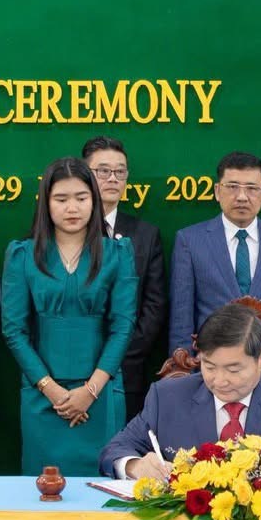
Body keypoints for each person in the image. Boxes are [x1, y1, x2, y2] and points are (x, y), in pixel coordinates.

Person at [0, 158, 138, 475]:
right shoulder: (23, 254)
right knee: (45, 490)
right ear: (46, 203)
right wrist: (51, 390)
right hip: (43, 396)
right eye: (61, 199)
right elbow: (14, 331)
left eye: (81, 197)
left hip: (100, 394)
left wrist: (90, 391)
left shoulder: (117, 254)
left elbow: (123, 326)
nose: (72, 208)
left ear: (94, 200)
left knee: (102, 487)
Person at [101, 304, 261, 479]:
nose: (220, 381)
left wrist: (251, 474)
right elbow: (114, 450)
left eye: (233, 369)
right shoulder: (167, 397)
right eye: (209, 367)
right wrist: (135, 466)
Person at [168, 152, 261, 349]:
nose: (241, 197)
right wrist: (184, 364)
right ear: (217, 191)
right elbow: (181, 321)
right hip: (212, 361)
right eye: (232, 187)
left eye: (252, 188)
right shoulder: (189, 241)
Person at [84, 136, 168, 421]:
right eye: (103, 171)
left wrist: (118, 357)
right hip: (71, 371)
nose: (113, 178)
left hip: (127, 372)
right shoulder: (62, 232)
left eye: (120, 172)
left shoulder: (145, 234)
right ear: (85, 175)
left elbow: (154, 306)